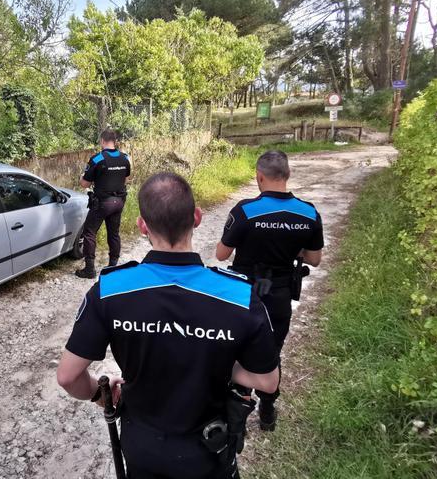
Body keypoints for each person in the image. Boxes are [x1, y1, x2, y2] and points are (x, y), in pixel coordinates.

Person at [58, 172, 280, 478]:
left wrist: (100, 395)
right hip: (207, 449)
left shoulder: (110, 290)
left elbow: (68, 376)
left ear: (142, 226)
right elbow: (268, 382)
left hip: (141, 447)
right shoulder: (240, 296)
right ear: (197, 218)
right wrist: (215, 356)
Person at [215, 150, 323, 432]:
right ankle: (267, 408)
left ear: (259, 176)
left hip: (244, 292)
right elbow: (314, 259)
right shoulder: (309, 213)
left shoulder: (244, 211)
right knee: (270, 350)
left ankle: (236, 411)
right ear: (287, 176)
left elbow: (221, 255)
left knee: (236, 349)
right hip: (279, 293)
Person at [75, 128, 131, 279]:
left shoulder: (97, 159)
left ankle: (89, 269)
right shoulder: (125, 158)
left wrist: (82, 176)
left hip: (102, 203)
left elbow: (85, 184)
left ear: (102, 141)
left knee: (89, 232)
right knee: (114, 233)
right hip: (119, 201)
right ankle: (113, 266)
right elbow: (126, 179)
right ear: (115, 141)